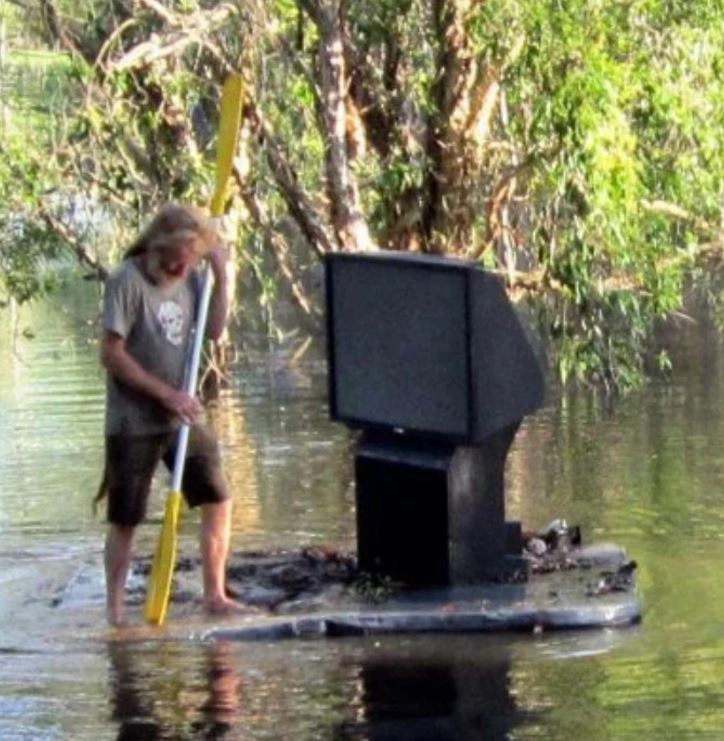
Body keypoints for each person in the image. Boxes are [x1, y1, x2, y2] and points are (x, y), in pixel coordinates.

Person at [96, 204, 241, 627]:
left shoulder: (194, 276)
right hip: (133, 421)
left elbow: (214, 331)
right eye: (177, 260)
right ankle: (116, 612)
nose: (182, 268)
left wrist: (222, 276)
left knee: (218, 497)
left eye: (191, 260)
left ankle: (215, 595)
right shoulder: (126, 281)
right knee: (126, 518)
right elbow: (111, 355)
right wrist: (167, 395)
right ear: (157, 247)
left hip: (180, 418)